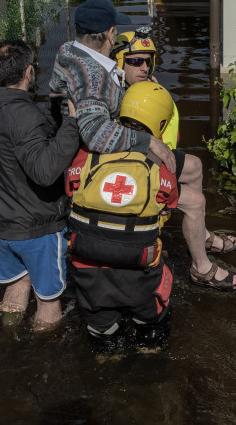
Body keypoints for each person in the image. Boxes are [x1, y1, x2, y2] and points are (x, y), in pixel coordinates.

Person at [109, 26, 236, 291]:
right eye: (135, 61)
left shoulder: (143, 89)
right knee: (195, 201)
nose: (144, 67)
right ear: (119, 62)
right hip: (126, 169)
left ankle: (201, 236)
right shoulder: (112, 94)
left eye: (148, 61)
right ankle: (201, 269)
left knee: (194, 166)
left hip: (146, 157)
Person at [65, 82, 181, 352]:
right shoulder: (164, 163)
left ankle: (108, 353)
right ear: (161, 122)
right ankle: (148, 351)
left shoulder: (85, 154)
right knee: (152, 330)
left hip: (89, 276)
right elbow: (167, 209)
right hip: (139, 277)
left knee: (104, 341)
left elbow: (71, 193)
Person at [0, 39, 79, 328]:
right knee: (48, 301)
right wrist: (72, 122)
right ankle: (42, 356)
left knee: (16, 286)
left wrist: (54, 116)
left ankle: (8, 342)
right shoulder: (24, 114)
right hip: (36, 230)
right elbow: (45, 172)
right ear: (29, 72)